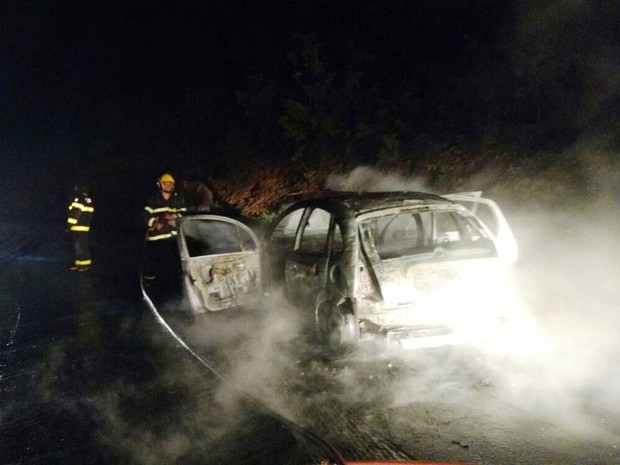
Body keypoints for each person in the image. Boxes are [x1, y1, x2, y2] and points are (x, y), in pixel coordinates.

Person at [142, 173, 186, 293]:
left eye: (170, 184)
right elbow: (146, 215)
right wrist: (154, 223)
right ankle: (150, 287)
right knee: (154, 263)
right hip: (156, 238)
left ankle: (174, 287)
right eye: (165, 184)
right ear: (160, 184)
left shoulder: (177, 198)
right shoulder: (153, 198)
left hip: (172, 237)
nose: (168, 186)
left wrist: (174, 216)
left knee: (173, 262)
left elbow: (183, 213)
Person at [66, 184, 94, 271]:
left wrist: (69, 225)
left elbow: (75, 213)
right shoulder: (88, 200)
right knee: (80, 246)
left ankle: (84, 264)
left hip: (78, 226)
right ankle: (80, 263)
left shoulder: (79, 199)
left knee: (80, 246)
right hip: (84, 226)